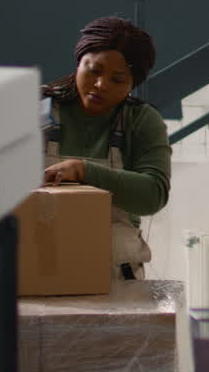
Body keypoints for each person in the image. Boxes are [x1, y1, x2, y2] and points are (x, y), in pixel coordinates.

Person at [39, 15, 172, 281]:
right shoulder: (37, 107)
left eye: (117, 79)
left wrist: (84, 171)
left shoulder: (141, 120)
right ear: (79, 62)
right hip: (38, 263)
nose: (101, 85)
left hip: (116, 276)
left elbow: (153, 194)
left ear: (133, 84)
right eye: (94, 71)